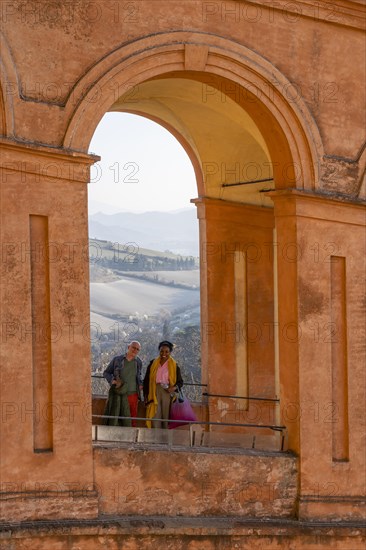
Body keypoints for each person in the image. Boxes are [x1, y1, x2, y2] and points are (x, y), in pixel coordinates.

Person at [143, 340, 183, 429]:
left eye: (166, 351)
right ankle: (155, 440)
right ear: (159, 351)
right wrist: (145, 396)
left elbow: (180, 382)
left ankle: (166, 440)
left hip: (167, 393)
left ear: (170, 352)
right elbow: (146, 380)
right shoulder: (153, 363)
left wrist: (173, 388)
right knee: (155, 416)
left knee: (166, 417)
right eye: (161, 351)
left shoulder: (174, 365)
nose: (164, 353)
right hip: (154, 392)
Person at [103, 341, 143, 427]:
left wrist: (140, 384)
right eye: (133, 347)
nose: (135, 350)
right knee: (116, 417)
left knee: (132, 418)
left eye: (137, 349)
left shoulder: (138, 362)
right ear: (128, 347)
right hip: (119, 394)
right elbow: (106, 373)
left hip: (133, 394)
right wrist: (112, 380)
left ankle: (131, 438)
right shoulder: (117, 360)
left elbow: (139, 375)